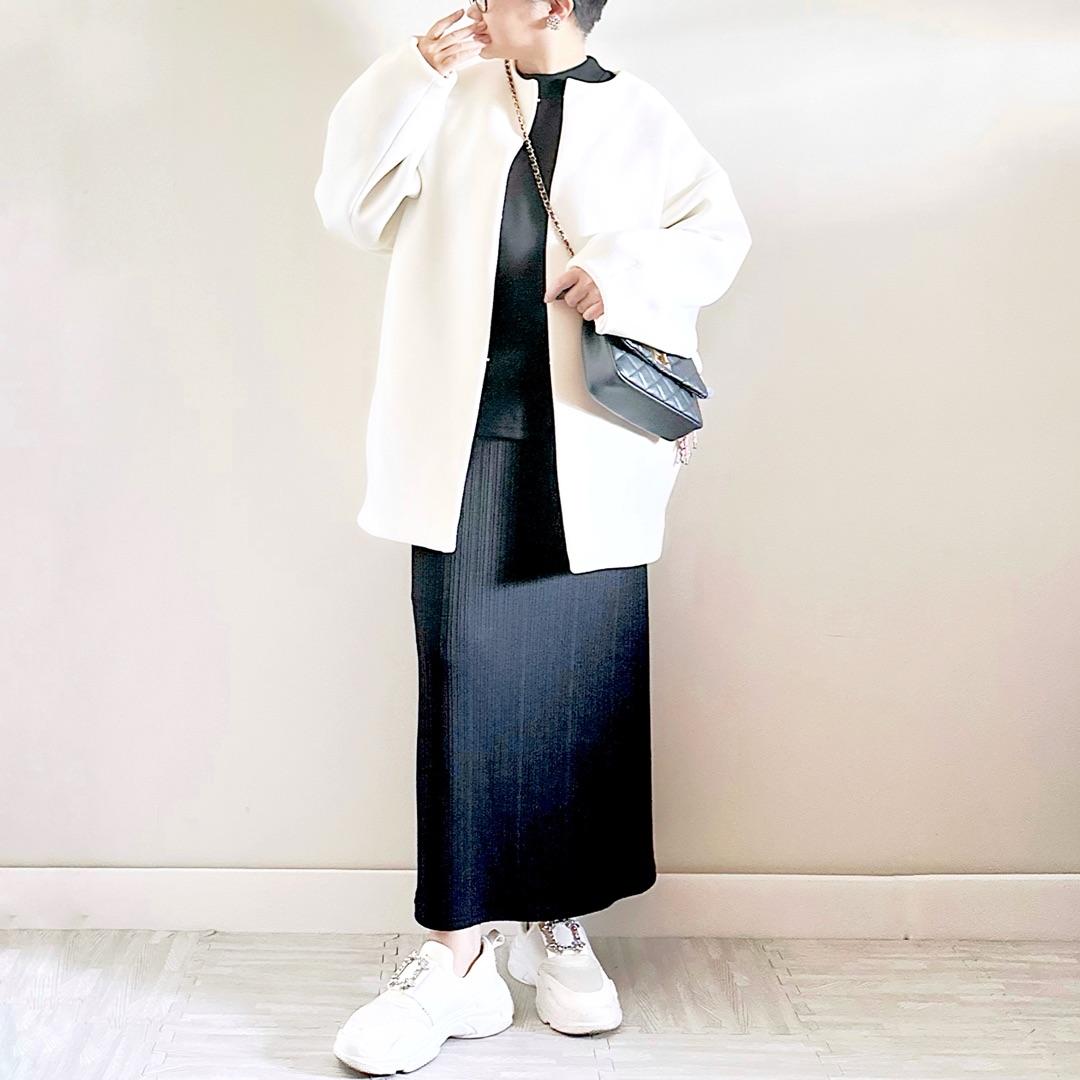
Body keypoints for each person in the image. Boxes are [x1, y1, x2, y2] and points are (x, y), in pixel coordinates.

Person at [314, 0, 752, 1072]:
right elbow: (349, 208)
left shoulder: (643, 115)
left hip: (594, 455)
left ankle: (556, 922)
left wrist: (625, 274)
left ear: (555, 3)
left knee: (581, 691)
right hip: (464, 447)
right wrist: (407, 73)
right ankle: (455, 955)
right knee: (463, 693)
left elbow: (718, 238)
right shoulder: (449, 96)